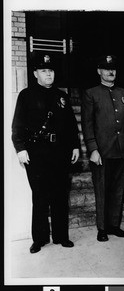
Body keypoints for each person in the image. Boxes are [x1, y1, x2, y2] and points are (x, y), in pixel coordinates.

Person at [12, 54, 80, 253]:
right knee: (40, 197)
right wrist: (21, 148)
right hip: (37, 153)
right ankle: (39, 239)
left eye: (50, 70)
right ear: (35, 74)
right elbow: (17, 126)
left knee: (60, 195)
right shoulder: (26, 95)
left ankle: (61, 236)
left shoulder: (62, 96)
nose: (48, 74)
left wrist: (75, 145)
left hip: (60, 152)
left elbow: (70, 125)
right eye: (44, 71)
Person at [81, 55, 124, 242]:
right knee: (102, 190)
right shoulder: (91, 93)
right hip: (102, 152)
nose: (110, 72)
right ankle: (102, 228)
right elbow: (87, 124)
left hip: (121, 150)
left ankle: (114, 225)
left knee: (118, 190)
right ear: (99, 71)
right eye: (106, 69)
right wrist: (92, 149)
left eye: (113, 69)